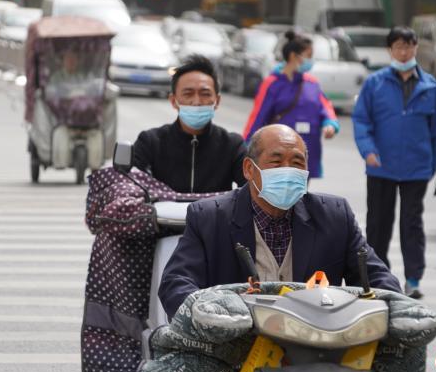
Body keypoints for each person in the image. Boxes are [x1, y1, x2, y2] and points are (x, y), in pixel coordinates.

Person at [159, 124, 401, 318]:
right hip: (234, 350)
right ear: (248, 169)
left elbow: (377, 278)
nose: (287, 170)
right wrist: (209, 317)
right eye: (276, 161)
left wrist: (391, 307)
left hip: (317, 345)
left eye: (297, 163)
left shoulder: (335, 215)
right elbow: (176, 283)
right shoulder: (209, 217)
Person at [352, 26, 436, 299]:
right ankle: (379, 278)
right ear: (389, 50)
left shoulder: (429, 86)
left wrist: (433, 164)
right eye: (398, 46)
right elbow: (361, 120)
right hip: (380, 166)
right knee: (378, 224)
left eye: (408, 46)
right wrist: (368, 150)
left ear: (416, 48)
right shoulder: (375, 83)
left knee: (411, 225)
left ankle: (413, 279)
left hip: (417, 169)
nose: (403, 52)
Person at [132, 54, 246, 193]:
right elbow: (131, 186)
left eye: (205, 93)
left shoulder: (232, 145)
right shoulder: (150, 142)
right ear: (174, 101)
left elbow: (250, 191)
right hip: (162, 215)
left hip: (214, 215)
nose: (196, 101)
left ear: (217, 101)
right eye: (188, 93)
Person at [242, 30, 340, 179]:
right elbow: (258, 118)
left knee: (301, 195)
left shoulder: (312, 83)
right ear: (294, 56)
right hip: (280, 155)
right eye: (308, 56)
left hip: (306, 152)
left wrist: (330, 124)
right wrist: (246, 148)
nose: (311, 60)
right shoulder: (272, 84)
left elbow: (325, 107)